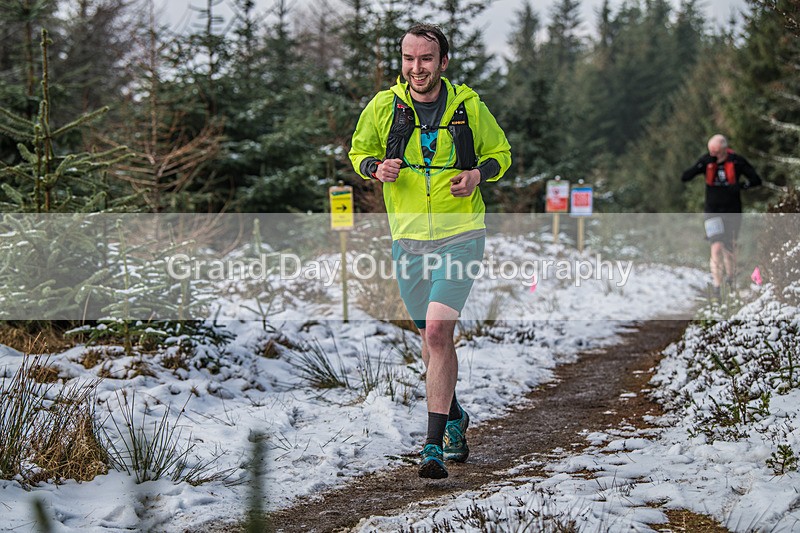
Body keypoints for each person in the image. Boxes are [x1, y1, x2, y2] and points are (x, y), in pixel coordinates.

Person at [349, 23, 511, 479]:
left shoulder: (468, 105)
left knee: (438, 333)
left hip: (461, 234)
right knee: (429, 338)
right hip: (408, 240)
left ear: (443, 62)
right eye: (409, 59)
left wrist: (477, 175)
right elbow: (358, 152)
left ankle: (433, 446)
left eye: (426, 59)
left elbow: (501, 153)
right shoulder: (384, 106)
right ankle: (455, 416)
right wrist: (374, 167)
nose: (416, 68)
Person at [681, 134, 761, 299]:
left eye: (715, 152)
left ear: (724, 150)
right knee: (716, 247)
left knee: (729, 248)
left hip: (732, 210)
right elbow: (685, 177)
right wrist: (700, 165)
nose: (713, 155)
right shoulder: (707, 161)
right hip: (712, 211)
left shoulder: (736, 161)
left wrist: (741, 186)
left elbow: (756, 180)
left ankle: (730, 281)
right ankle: (717, 287)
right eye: (710, 151)